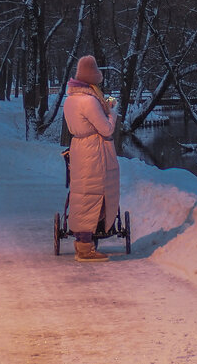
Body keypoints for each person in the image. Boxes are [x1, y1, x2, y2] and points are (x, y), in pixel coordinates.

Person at [62, 55, 120, 263]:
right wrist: (112, 112)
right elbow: (105, 128)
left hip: (79, 149)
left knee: (83, 192)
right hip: (94, 152)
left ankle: (83, 242)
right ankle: (86, 247)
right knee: (95, 193)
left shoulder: (71, 100)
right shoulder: (88, 101)